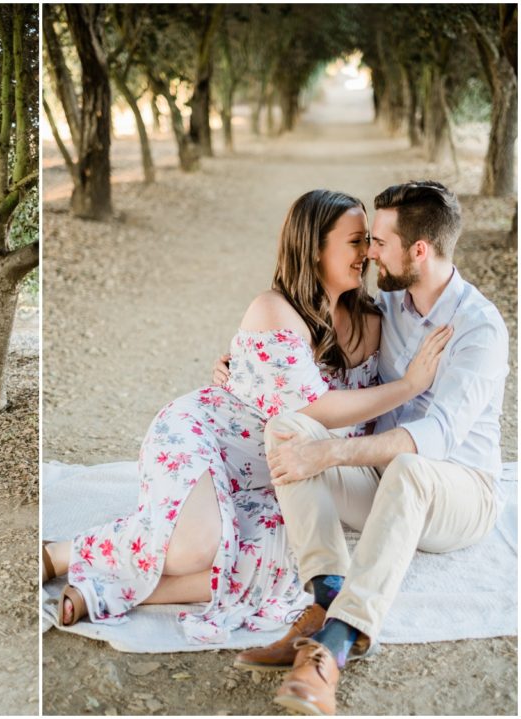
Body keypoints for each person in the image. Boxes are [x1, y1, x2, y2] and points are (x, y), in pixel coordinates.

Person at [41, 190, 451, 644]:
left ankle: (106, 590)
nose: (369, 255)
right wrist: (409, 385)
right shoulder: (273, 310)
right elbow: (315, 410)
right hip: (204, 438)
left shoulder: (373, 320)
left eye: (370, 242)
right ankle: (65, 553)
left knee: (281, 567)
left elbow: (427, 280)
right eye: (356, 242)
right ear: (315, 247)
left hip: (277, 476)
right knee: (197, 547)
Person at [241, 181, 508, 716]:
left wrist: (331, 455)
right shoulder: (389, 299)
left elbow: (430, 440)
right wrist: (240, 361)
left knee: (408, 464)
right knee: (289, 429)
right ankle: (324, 595)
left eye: (378, 242)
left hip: (460, 494)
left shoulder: (479, 330)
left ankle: (335, 646)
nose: (367, 254)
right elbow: (305, 329)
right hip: (388, 482)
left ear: (419, 251)